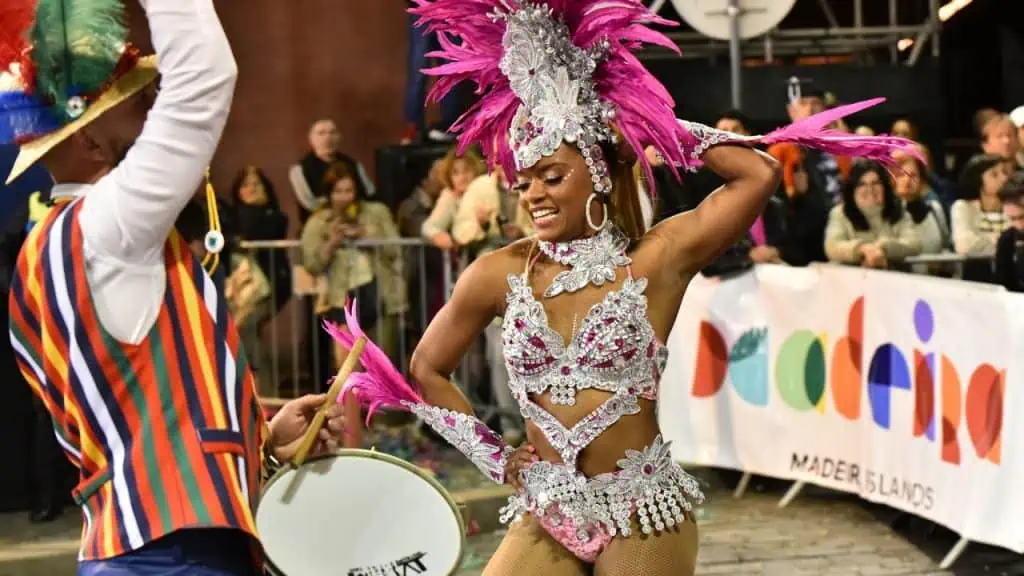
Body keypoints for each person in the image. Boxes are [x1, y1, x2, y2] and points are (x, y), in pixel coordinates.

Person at [342, 2, 916, 574]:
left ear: (597, 171)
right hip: (550, 508)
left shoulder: (655, 260)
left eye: (552, 176)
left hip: (642, 509)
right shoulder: (497, 273)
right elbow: (426, 367)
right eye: (524, 182)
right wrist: (498, 459)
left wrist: (648, 125)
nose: (534, 195)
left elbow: (758, 173)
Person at [1, 1, 344, 573]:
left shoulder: (50, 251)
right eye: (142, 107)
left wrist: (257, 440)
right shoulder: (110, 224)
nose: (159, 117)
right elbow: (205, 79)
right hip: (176, 557)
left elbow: (136, 410)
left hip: (135, 549)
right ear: (91, 145)